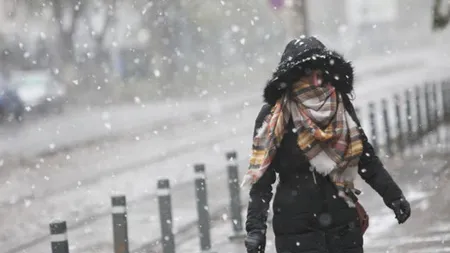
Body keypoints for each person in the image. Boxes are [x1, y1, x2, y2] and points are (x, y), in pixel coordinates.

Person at [242, 37, 411, 253]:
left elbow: (364, 157)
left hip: (342, 228)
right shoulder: (274, 116)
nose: (315, 79)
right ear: (293, 77)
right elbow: (262, 181)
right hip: (296, 233)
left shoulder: (339, 105)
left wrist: (393, 196)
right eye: (307, 72)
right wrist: (255, 229)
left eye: (320, 71)